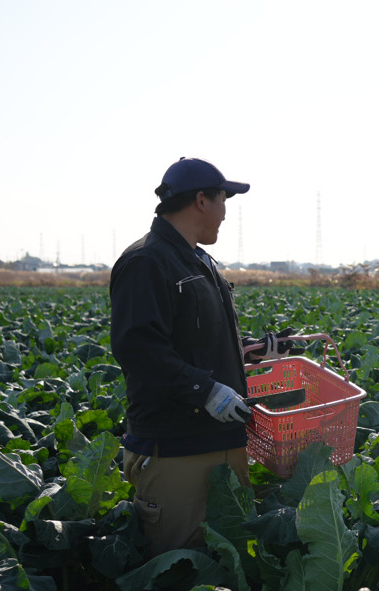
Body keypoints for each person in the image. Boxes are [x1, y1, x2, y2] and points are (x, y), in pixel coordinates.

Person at [110, 157, 291, 556]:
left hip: (223, 438)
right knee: (181, 569)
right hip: (176, 448)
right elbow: (138, 349)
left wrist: (249, 352)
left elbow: (189, 342)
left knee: (233, 562)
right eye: (224, 200)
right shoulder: (147, 261)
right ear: (202, 201)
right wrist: (205, 390)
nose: (227, 213)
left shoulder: (199, 260)